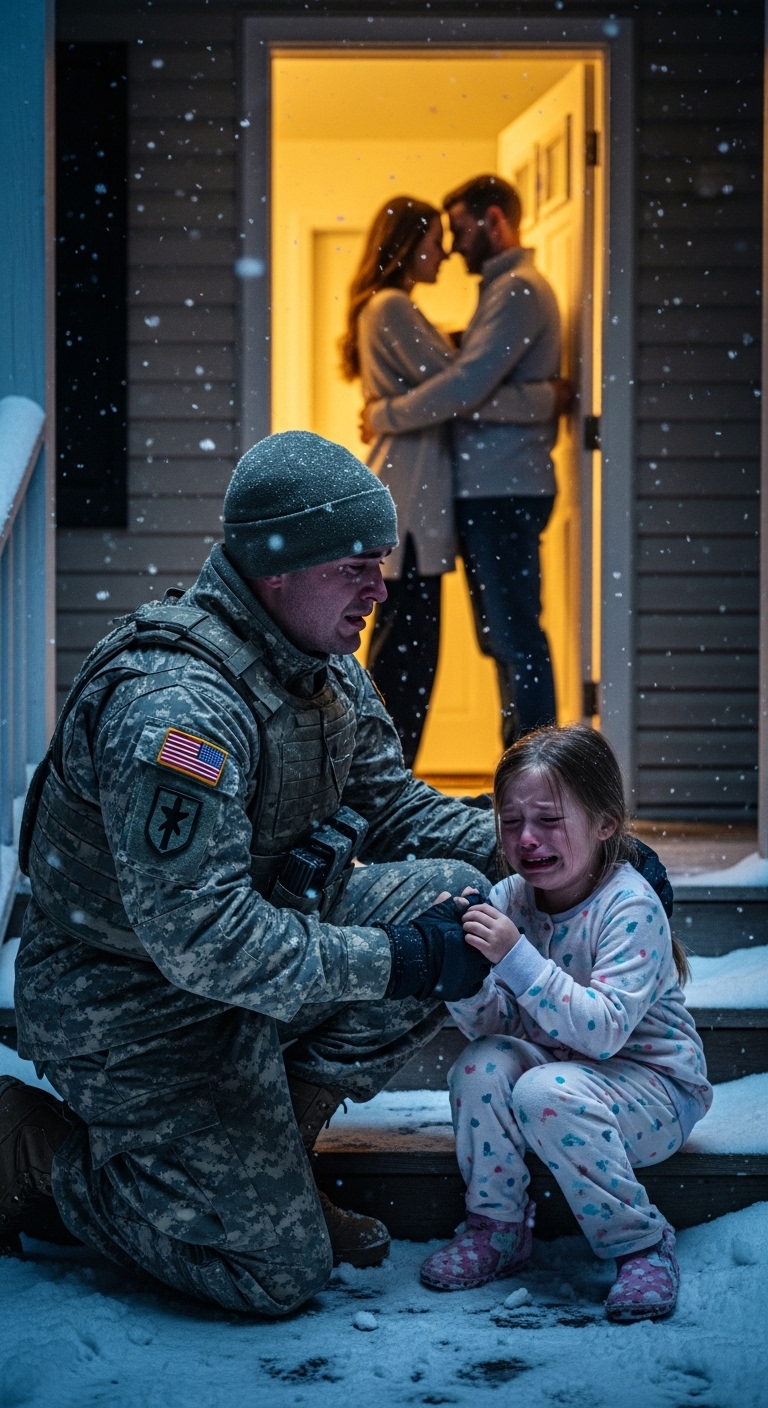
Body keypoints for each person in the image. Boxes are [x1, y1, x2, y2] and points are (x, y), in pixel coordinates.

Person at [1, 430, 502, 1317]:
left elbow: (398, 810)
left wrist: (568, 850)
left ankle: (277, 1169)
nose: (380, 590)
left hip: (247, 965)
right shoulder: (178, 710)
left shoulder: (320, 668)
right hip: (127, 1004)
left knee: (449, 902)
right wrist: (397, 960)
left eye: (379, 565)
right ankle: (33, 1153)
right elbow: (202, 939)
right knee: (272, 1275)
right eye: (355, 568)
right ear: (280, 570)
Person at [419, 724, 712, 1323]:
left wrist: (515, 957)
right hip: (560, 1074)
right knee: (480, 1066)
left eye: (549, 820)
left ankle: (640, 1244)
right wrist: (461, 977)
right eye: (510, 821)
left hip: (653, 1090)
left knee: (543, 1092)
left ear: (605, 824)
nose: (527, 838)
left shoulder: (629, 905)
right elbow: (501, 1026)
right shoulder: (510, 898)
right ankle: (497, 1227)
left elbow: (602, 1033)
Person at [344, 195, 561, 768]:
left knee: (411, 654)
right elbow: (461, 386)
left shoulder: (397, 308)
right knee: (405, 657)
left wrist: (388, 410)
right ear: (406, 246)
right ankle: (380, 780)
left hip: (420, 497)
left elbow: (459, 380)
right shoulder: (392, 306)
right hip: (412, 501)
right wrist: (545, 398)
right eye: (435, 241)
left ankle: (383, 779)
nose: (443, 253)